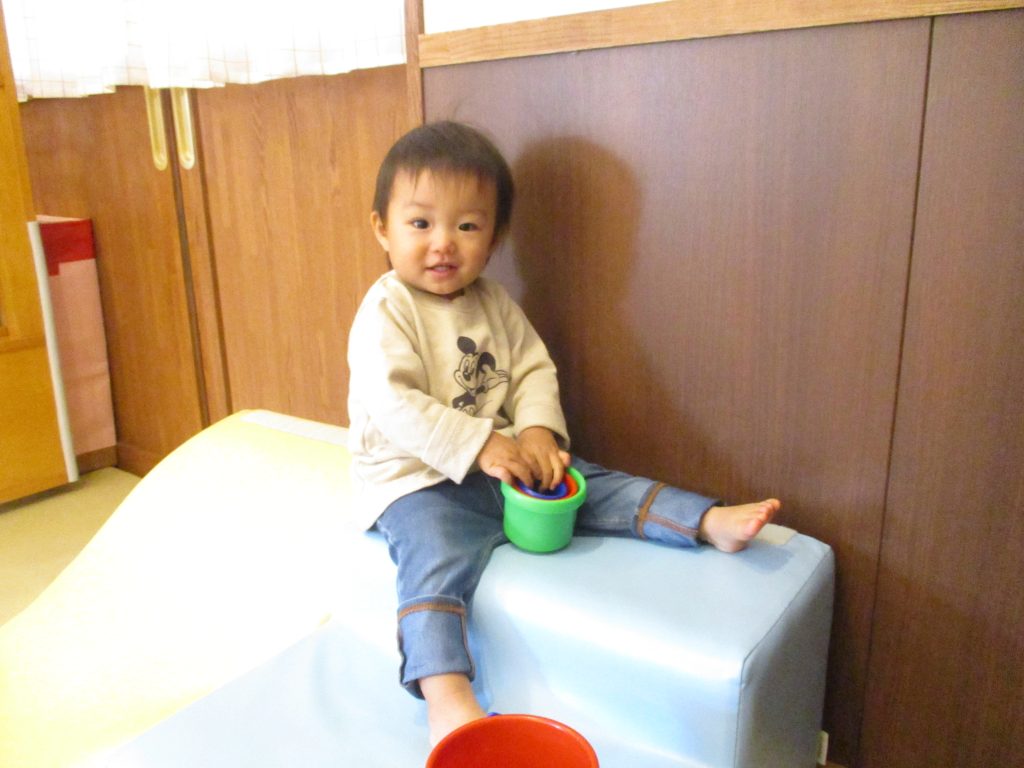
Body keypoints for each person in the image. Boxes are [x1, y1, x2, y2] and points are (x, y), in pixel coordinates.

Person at [346, 120, 780, 745]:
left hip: (501, 462)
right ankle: (448, 697)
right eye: (420, 223)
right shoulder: (387, 309)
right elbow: (394, 403)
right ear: (382, 229)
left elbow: (531, 369)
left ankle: (705, 521)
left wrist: (537, 431)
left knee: (592, 482)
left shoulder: (494, 302)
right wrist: (480, 444)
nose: (443, 243)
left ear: (495, 238)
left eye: (466, 226)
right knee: (432, 561)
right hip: (417, 480)